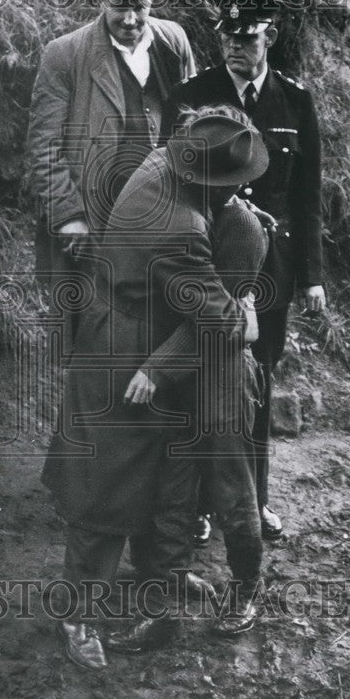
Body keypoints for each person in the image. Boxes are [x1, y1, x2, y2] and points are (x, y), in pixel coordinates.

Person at [42, 110, 269, 670]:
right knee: (104, 488)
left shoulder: (160, 159)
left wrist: (231, 213)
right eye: (232, 184)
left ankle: (157, 580)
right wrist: (249, 314)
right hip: (123, 357)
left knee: (158, 476)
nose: (242, 190)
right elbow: (219, 322)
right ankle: (78, 615)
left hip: (128, 335)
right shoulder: (180, 231)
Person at [163, 0, 325, 541]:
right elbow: (173, 180)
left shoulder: (295, 100)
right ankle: (201, 504)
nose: (236, 47)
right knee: (202, 373)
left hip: (271, 265)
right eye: (228, 38)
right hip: (209, 258)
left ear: (269, 38)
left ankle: (254, 501)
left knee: (257, 380)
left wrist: (313, 276)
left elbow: (307, 197)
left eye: (248, 38)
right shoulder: (192, 95)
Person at [28, 0, 195, 354]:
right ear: (101, 1)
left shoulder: (173, 42)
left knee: (152, 334)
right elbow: (44, 145)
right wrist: (69, 216)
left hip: (160, 218)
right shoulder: (65, 54)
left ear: (153, 2)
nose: (130, 18)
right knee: (90, 339)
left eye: (140, 6)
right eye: (119, 5)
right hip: (93, 223)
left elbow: (194, 124)